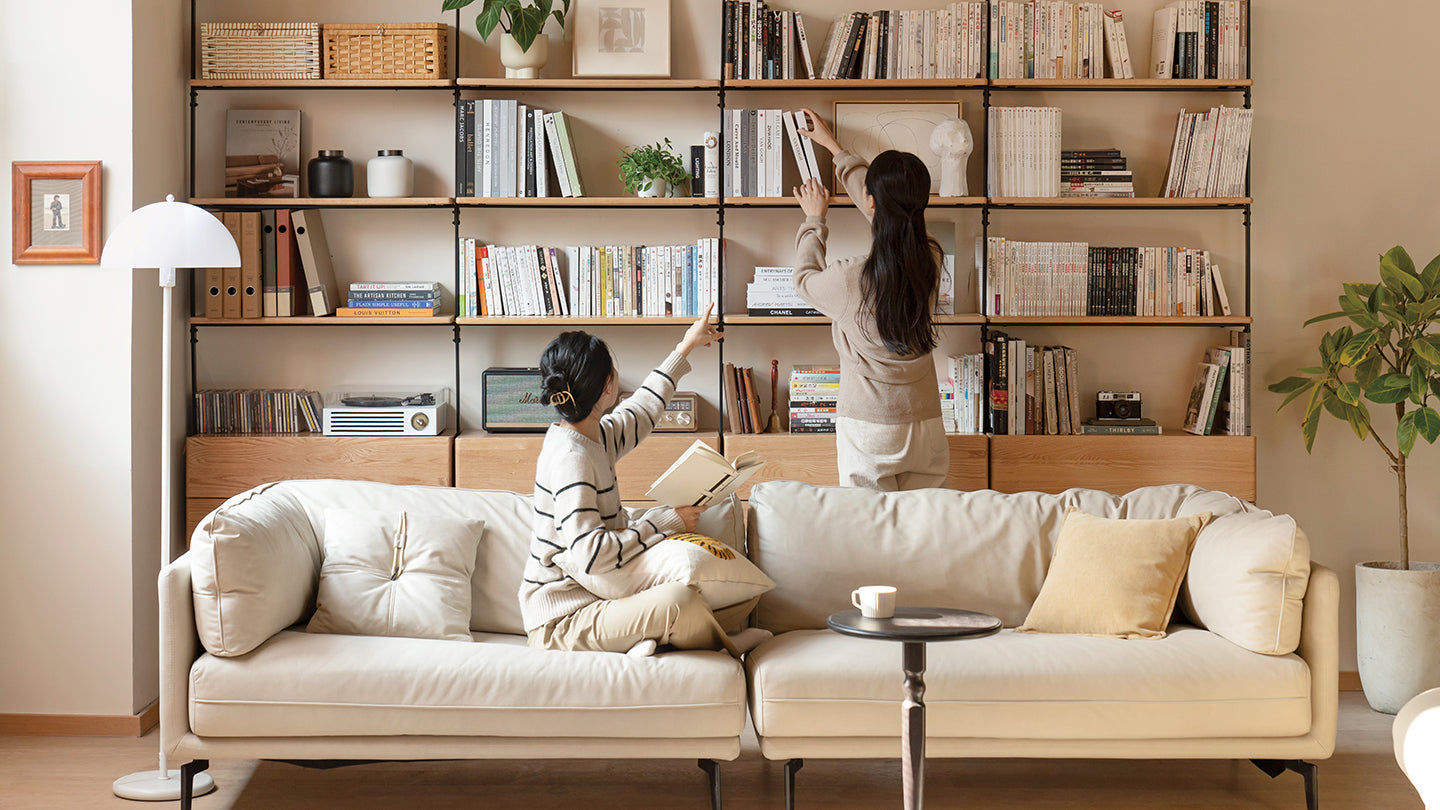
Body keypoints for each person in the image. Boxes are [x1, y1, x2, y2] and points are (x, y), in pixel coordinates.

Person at [520, 305, 771, 658]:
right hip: (563, 620)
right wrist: (666, 521)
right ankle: (725, 647)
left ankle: (647, 639)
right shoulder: (570, 459)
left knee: (743, 596)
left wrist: (686, 347)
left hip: (603, 597)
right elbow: (590, 556)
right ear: (608, 385)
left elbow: (641, 410)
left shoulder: (596, 437)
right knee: (679, 600)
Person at [792, 108, 949, 491]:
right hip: (926, 426)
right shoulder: (931, 257)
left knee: (870, 538)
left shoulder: (849, 279)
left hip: (869, 427)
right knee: (924, 533)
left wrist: (815, 219)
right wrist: (833, 146)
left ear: (871, 201)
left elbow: (803, 280)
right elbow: (890, 213)